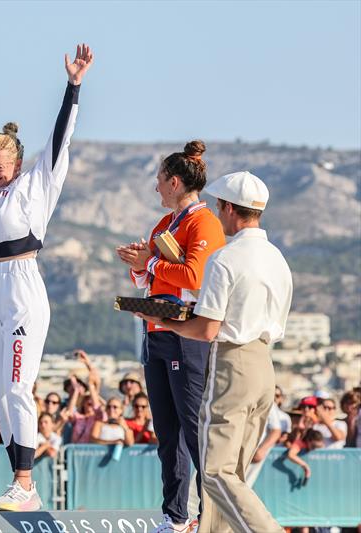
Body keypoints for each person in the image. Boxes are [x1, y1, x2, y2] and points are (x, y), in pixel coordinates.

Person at [0, 43, 93, 512]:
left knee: (16, 386)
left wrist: (73, 86)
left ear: (17, 163)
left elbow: (60, 137)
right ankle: (17, 479)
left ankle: (26, 482)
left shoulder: (37, 184)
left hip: (22, 283)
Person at [137, 171, 293, 533]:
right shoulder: (278, 259)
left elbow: (206, 328)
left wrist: (163, 320)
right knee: (232, 472)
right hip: (263, 365)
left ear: (227, 208)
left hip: (231, 363)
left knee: (216, 471)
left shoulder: (226, 258)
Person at [117, 140, 226, 533]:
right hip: (156, 330)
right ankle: (175, 516)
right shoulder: (164, 225)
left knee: (194, 431)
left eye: (159, 180)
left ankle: (212, 514)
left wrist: (149, 261)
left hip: (187, 333)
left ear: (175, 182)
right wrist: (138, 265)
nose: (156, 187)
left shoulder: (204, 222)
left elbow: (195, 276)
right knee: (168, 433)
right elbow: (149, 278)